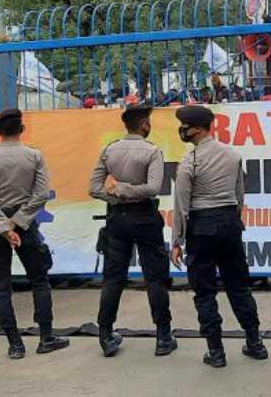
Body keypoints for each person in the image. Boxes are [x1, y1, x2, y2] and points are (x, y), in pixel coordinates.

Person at [170, 105, 268, 368]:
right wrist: (231, 220)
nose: (182, 131)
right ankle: (255, 343)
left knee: (204, 291)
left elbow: (181, 204)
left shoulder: (190, 162)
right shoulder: (232, 155)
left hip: (201, 227)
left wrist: (176, 241)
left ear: (198, 128)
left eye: (184, 126)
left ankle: (216, 351)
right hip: (229, 224)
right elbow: (239, 195)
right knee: (239, 286)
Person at [0, 108, 68, 359]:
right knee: (39, 280)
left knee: (1, 286)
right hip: (26, 225)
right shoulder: (35, 156)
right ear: (22, 130)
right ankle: (46, 337)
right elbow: (40, 194)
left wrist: (4, 227)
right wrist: (16, 223)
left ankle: (15, 344)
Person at [88, 104, 176, 358]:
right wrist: (129, 192)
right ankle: (163, 337)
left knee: (113, 277)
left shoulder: (109, 150)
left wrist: (118, 194)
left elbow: (94, 188)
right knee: (154, 277)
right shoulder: (151, 152)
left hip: (117, 218)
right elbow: (152, 189)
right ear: (144, 125)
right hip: (145, 218)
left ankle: (105, 335)